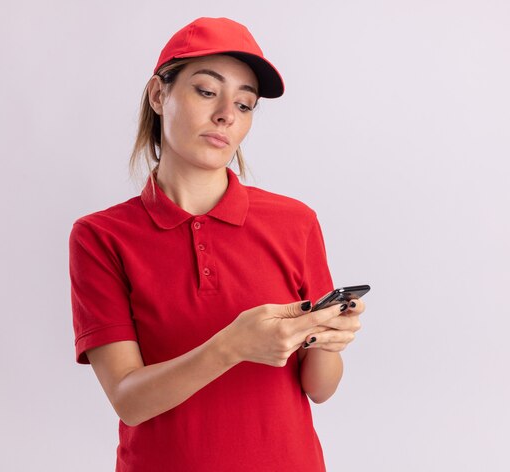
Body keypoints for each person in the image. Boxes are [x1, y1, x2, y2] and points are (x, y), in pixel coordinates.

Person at [69, 17, 365, 472]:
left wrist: (329, 340)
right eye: (207, 91)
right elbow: (129, 400)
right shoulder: (101, 237)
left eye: (245, 104)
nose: (227, 113)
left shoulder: (295, 222)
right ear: (158, 94)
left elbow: (319, 389)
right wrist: (232, 346)